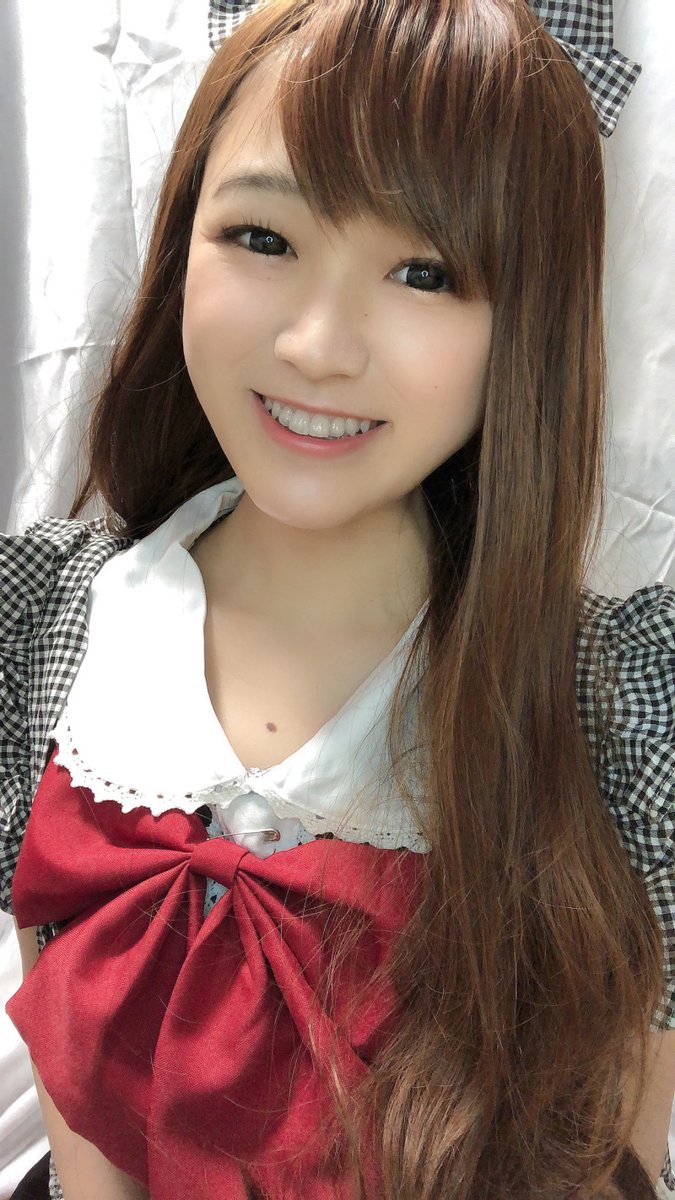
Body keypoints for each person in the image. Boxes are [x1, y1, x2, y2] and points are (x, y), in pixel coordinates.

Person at [1, 1, 673, 1197]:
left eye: (424, 271)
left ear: (529, 321)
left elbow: (608, 1156)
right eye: (263, 237)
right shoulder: (48, 627)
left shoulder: (614, 712)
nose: (318, 344)